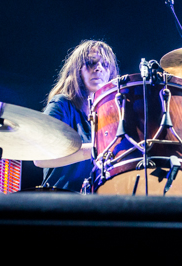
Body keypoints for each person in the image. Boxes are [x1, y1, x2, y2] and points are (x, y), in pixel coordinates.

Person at [34, 40, 119, 192]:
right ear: (77, 71)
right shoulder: (62, 104)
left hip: (95, 205)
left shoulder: (112, 117)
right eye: (91, 63)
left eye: (104, 65)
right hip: (59, 201)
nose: (98, 68)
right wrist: (95, 148)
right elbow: (39, 157)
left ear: (110, 74)